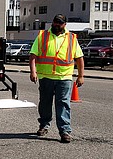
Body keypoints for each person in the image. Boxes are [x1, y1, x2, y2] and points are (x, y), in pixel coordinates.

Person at [28, 14, 84, 143]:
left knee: (63, 103)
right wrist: (33, 72)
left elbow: (79, 58)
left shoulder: (71, 38)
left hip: (64, 77)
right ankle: (44, 125)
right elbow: (33, 55)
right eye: (55, 22)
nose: (56, 25)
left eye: (59, 23)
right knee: (45, 103)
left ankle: (65, 131)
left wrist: (81, 76)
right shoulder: (43, 36)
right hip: (45, 76)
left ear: (65, 24)